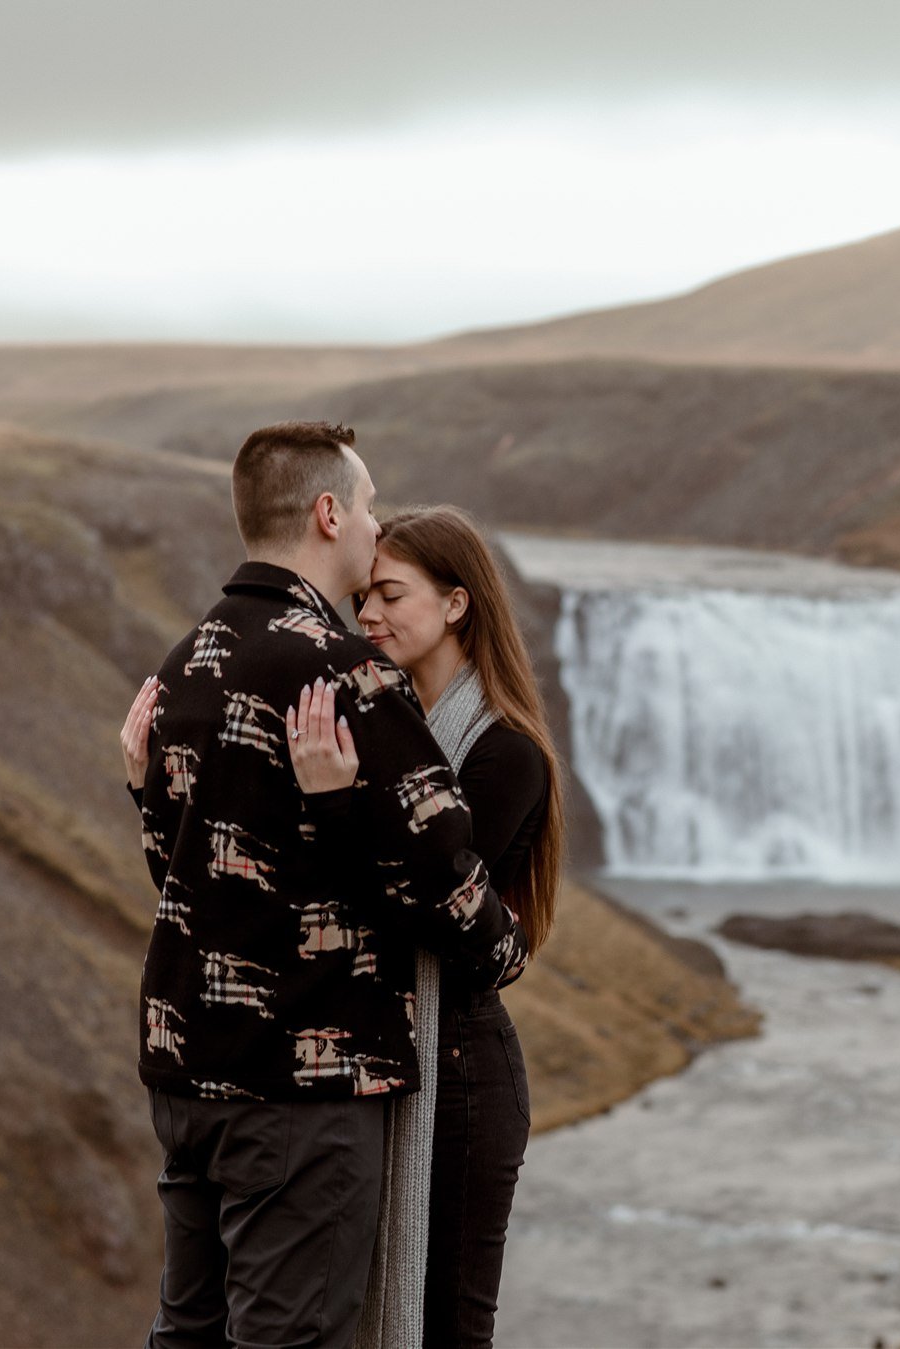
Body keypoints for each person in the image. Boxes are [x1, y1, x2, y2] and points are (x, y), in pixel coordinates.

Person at [119, 421, 526, 1349]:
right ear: (329, 512)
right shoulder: (347, 676)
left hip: (185, 1075)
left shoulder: (186, 664)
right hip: (301, 1088)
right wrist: (502, 945)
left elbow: (188, 876)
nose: (377, 527)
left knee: (187, 1332)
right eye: (372, 505)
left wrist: (139, 790)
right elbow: (444, 877)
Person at [287, 505, 563, 1349]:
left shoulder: (504, 754)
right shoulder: (382, 730)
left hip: (465, 1078)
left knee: (451, 1324)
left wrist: (336, 807)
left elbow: (431, 906)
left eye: (390, 595)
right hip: (384, 1064)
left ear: (456, 603)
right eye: (363, 595)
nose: (365, 615)